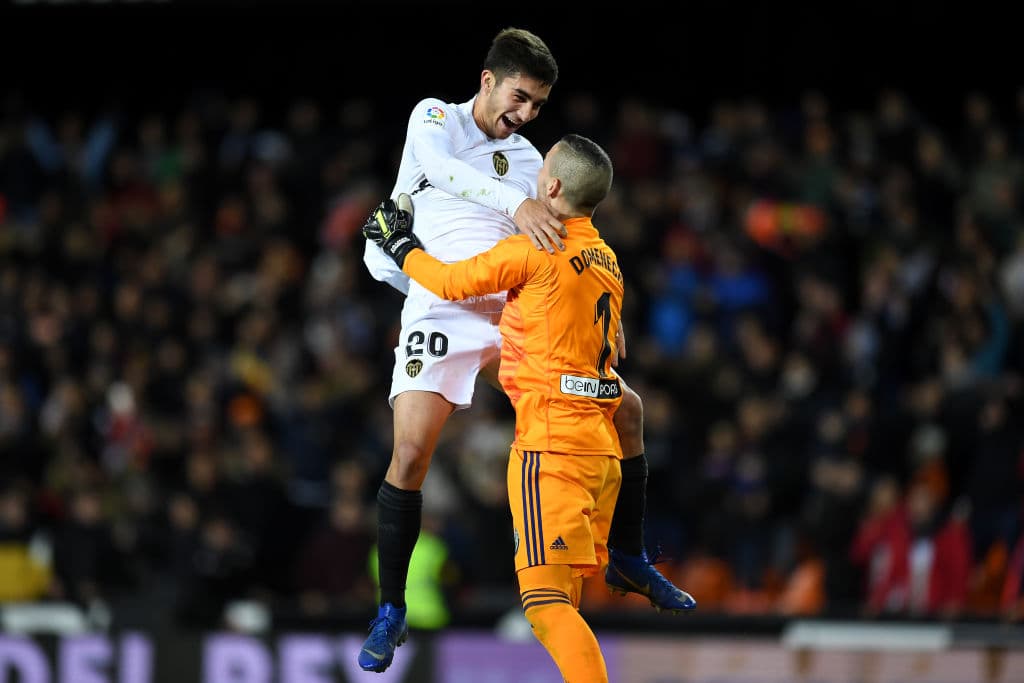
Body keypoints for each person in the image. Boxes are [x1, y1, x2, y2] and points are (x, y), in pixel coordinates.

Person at [359, 27, 694, 673]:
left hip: (512, 301)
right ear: (488, 80)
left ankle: (628, 555)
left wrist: (600, 320)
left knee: (627, 408)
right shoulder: (435, 118)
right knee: (410, 451)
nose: (526, 114)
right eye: (520, 97)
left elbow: (571, 245)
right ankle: (391, 605)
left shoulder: (531, 154)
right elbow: (441, 173)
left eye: (539, 104)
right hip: (441, 298)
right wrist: (515, 205)